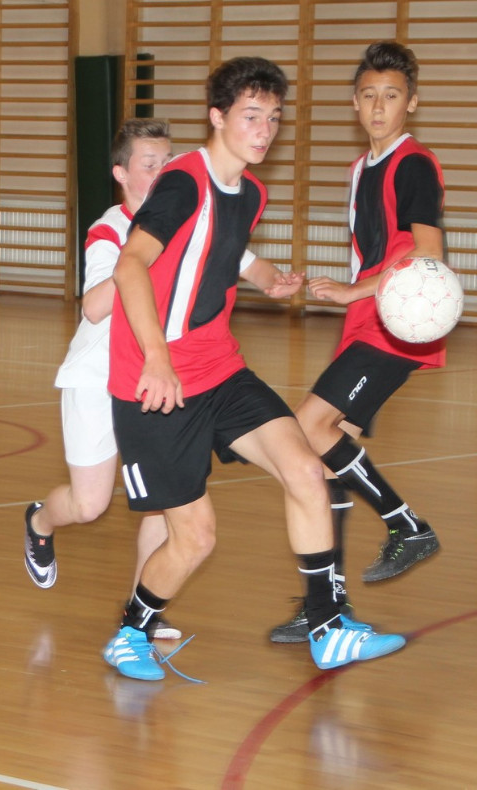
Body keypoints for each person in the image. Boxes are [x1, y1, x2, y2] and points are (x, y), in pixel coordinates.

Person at [101, 56, 407, 681]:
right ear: (217, 117)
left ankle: (328, 628)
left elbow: (227, 248)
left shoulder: (251, 191)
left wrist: (268, 278)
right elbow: (131, 266)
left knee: (306, 468)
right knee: (195, 538)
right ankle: (131, 633)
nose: (264, 130)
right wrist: (158, 360)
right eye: (250, 116)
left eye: (273, 118)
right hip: (154, 383)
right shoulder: (183, 182)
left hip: (218, 367)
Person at [270, 41, 446, 644]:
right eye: (369, 95)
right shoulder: (360, 168)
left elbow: (427, 253)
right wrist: (353, 296)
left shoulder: (413, 164)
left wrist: (354, 291)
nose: (378, 106)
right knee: (323, 454)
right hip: (367, 321)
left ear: (411, 103)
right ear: (353, 102)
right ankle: (327, 603)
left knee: (307, 428)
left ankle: (406, 524)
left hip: (395, 322)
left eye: (391, 96)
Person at [23, 118, 181, 640]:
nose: (161, 174)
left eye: (168, 164)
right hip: (95, 378)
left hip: (150, 380)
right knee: (89, 506)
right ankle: (41, 521)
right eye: (149, 165)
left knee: (164, 501)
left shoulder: (180, 222)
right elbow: (93, 306)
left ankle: (141, 613)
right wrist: (140, 261)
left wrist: (271, 278)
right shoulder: (110, 230)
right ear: (121, 174)